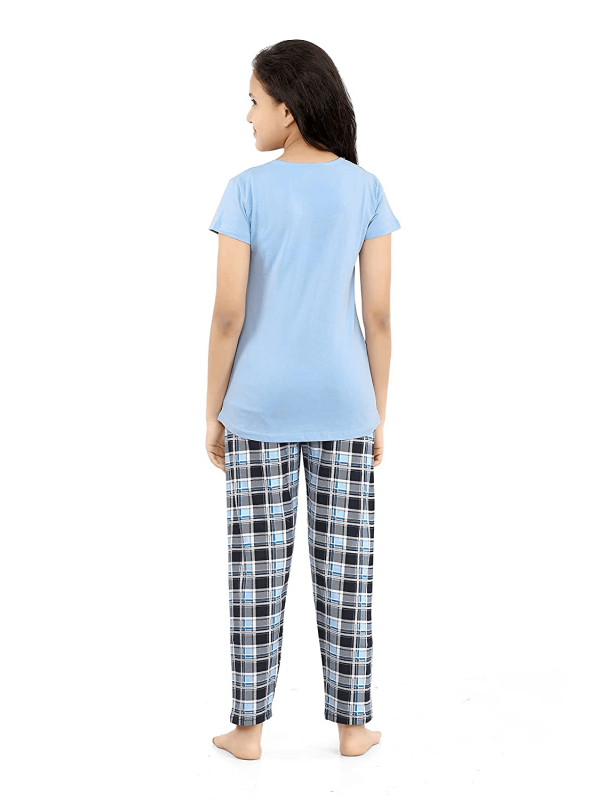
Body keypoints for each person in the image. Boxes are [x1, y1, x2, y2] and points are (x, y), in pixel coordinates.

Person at [205, 40, 401, 760]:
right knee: (347, 572)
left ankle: (248, 731)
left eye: (254, 101)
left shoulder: (246, 191)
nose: (248, 115)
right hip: (345, 404)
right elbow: (378, 317)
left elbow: (228, 316)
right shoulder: (365, 189)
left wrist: (213, 411)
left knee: (256, 574)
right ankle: (353, 728)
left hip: (258, 409)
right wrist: (377, 412)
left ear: (287, 110)